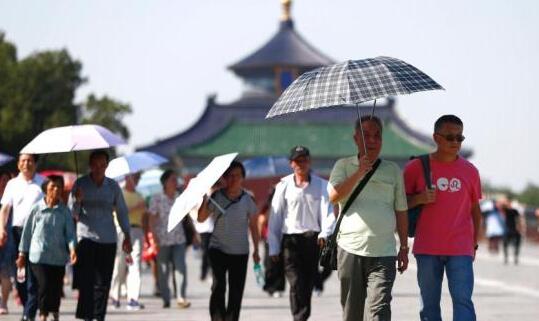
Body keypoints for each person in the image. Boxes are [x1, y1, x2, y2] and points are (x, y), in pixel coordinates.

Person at [328, 116, 409, 321]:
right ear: (356, 138)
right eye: (366, 135)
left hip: (384, 251)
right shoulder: (343, 166)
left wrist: (404, 247)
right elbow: (334, 196)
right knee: (352, 312)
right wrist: (359, 172)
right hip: (349, 248)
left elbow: (401, 210)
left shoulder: (392, 170)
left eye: (377, 136)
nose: (372, 140)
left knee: (379, 310)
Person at [404, 114, 482, 321]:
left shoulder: (471, 171)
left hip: (461, 249)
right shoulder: (415, 168)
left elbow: (475, 210)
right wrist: (419, 198)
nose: (455, 142)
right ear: (436, 138)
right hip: (427, 248)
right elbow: (399, 206)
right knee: (428, 305)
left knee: (463, 301)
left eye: (460, 138)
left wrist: (474, 244)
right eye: (450, 137)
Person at [268, 146, 334, 321]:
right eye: (297, 161)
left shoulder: (322, 185)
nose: (301, 164)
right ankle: (299, 317)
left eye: (304, 160)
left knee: (308, 282)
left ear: (309, 161)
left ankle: (302, 315)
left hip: (313, 240)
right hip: (291, 241)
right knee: (296, 282)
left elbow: (328, 213)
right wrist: (273, 247)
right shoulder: (283, 186)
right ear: (291, 164)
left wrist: (325, 234)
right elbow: (275, 218)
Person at [71, 150, 132, 321]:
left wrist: (127, 235)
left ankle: (99, 317)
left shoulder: (113, 186)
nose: (99, 168)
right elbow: (72, 214)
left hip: (108, 239)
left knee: (103, 283)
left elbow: (122, 212)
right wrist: (77, 200)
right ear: (90, 165)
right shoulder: (80, 184)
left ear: (106, 166)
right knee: (87, 281)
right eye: (95, 165)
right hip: (86, 238)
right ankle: (87, 316)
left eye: (102, 165)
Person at [198, 161, 260, 321]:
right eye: (230, 176)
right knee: (218, 285)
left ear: (242, 178)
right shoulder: (216, 196)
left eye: (237, 176)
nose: (233, 179)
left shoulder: (248, 200)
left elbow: (254, 226)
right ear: (225, 178)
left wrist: (256, 251)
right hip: (217, 248)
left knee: (236, 290)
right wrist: (204, 199)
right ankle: (217, 318)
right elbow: (201, 218)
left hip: (240, 251)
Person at [17, 176, 77, 321]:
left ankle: (55, 312)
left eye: (58, 187)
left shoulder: (64, 212)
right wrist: (22, 254)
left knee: (56, 288)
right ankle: (43, 314)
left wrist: (73, 249)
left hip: (58, 257)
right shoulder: (36, 209)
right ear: (45, 190)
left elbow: (70, 234)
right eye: (52, 187)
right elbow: (27, 233)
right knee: (43, 286)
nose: (56, 190)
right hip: (38, 256)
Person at [0, 154, 44, 321]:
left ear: (35, 163)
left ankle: (28, 314)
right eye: (23, 161)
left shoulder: (43, 182)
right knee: (21, 275)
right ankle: (28, 307)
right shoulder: (12, 184)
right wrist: (1, 229)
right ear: (18, 164)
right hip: (17, 233)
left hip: (37, 234)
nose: (26, 164)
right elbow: (5, 209)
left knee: (34, 275)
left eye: (30, 161)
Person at [149, 169, 192, 309]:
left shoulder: (180, 197)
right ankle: (166, 298)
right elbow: (152, 219)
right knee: (163, 271)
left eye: (176, 179)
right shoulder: (156, 198)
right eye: (173, 179)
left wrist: (195, 234)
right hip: (162, 240)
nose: (175, 182)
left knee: (181, 268)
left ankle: (181, 297)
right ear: (165, 182)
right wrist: (154, 237)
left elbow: (187, 218)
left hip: (179, 238)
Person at [110, 173, 148, 310]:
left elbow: (144, 217)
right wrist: (136, 207)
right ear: (127, 178)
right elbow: (118, 211)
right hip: (121, 230)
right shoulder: (119, 194)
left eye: (138, 178)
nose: (137, 180)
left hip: (137, 231)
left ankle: (133, 298)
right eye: (135, 177)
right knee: (119, 264)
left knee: (135, 264)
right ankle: (115, 296)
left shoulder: (140, 196)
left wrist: (146, 234)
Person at [259, 187, 286, 298]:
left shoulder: (285, 205)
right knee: (269, 263)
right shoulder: (267, 206)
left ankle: (279, 287)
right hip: (269, 238)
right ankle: (270, 286)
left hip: (282, 237)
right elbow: (261, 220)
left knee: (281, 264)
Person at [0, 170, 13, 315]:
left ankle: (4, 302)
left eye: (6, 180)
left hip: (8, 239)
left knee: (5, 272)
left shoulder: (12, 198)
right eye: (1, 180)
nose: (3, 183)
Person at [499, 198, 523, 265]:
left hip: (510, 230)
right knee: (515, 245)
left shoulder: (510, 210)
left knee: (506, 244)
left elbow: (518, 220)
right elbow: (519, 220)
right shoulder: (509, 210)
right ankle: (512, 258)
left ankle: (510, 258)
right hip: (513, 230)